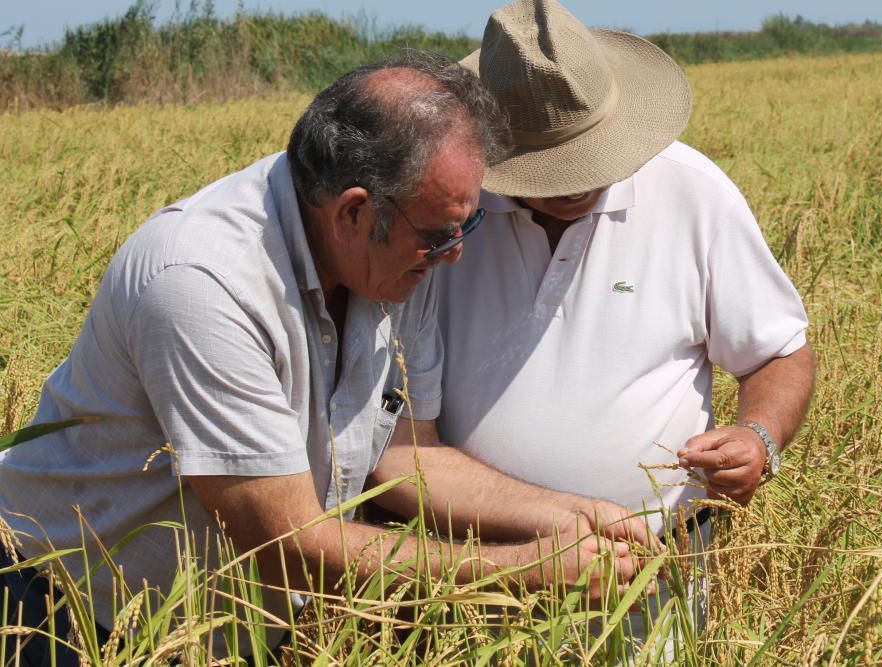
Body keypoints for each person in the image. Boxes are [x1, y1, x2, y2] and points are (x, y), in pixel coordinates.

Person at [0, 51, 649, 665]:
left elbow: (406, 456)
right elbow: (288, 548)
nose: (456, 253)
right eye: (441, 233)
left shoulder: (398, 259)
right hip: (68, 616)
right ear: (354, 212)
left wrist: (577, 516)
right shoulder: (201, 283)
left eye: (466, 225)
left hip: (223, 625)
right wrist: (525, 569)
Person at [427, 0, 817, 658]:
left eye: (588, 158)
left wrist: (759, 435)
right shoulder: (444, 209)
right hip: (471, 560)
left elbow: (777, 353)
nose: (577, 185)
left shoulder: (696, 193)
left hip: (653, 560)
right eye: (550, 170)